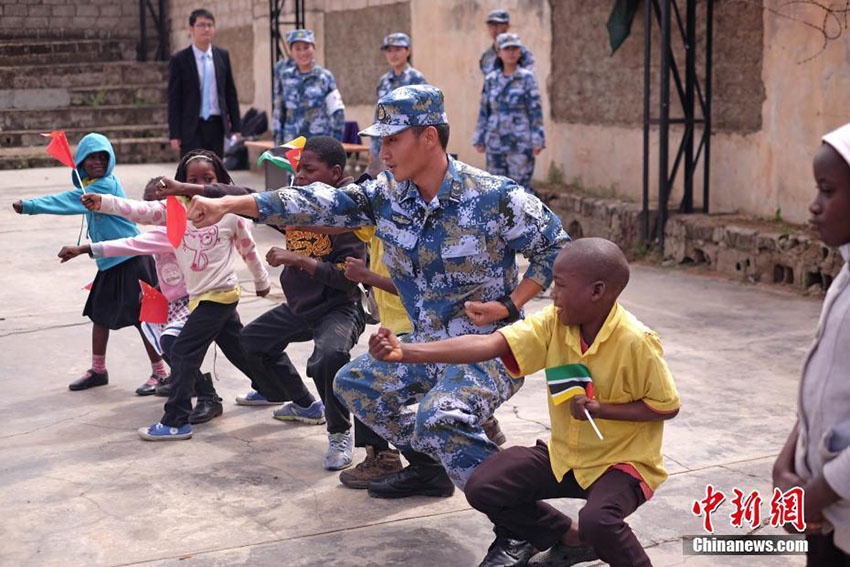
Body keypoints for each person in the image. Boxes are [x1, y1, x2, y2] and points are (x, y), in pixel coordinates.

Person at [172, 84, 569, 498]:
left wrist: (510, 303)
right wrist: (228, 204)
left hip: (490, 349)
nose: (384, 152)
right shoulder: (387, 196)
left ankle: (520, 513)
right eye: (381, 141)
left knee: (441, 415)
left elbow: (556, 247)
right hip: (426, 344)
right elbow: (314, 202)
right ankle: (429, 468)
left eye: (393, 140)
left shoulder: (494, 196)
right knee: (354, 383)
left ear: (428, 136)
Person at [371, 239, 680, 567]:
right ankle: (569, 538)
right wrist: (406, 353)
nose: (553, 295)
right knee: (484, 486)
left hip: (622, 464)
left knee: (599, 521)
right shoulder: (553, 323)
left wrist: (603, 410)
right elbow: (488, 344)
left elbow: (665, 406)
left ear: (597, 291)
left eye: (560, 286)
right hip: (567, 456)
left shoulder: (636, 341)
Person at [79, 159, 271, 441]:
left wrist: (262, 282)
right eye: (191, 179)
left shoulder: (229, 216)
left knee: (176, 346)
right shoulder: (173, 220)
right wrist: (103, 207)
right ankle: (279, 390)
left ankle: (187, 411)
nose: (198, 186)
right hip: (195, 298)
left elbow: (249, 249)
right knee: (237, 346)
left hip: (212, 296)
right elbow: (136, 214)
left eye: (207, 179)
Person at [236, 136, 368, 471]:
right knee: (252, 342)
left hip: (338, 307)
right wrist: (195, 191)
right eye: (299, 169)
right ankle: (304, 403)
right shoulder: (301, 204)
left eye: (310, 170)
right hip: (301, 306)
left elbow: (346, 277)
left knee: (329, 357)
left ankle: (339, 432)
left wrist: (297, 259)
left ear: (335, 172)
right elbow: (247, 199)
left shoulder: (348, 213)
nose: (301, 176)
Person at [12, 133, 164, 393]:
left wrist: (30, 205)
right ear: (80, 162)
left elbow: (67, 201)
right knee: (99, 316)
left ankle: (160, 373)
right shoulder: (89, 185)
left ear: (110, 160)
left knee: (144, 319)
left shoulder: (105, 186)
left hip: (132, 259)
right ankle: (98, 370)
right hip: (108, 262)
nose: (97, 162)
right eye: (91, 157)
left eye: (102, 157)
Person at [773, 124, 850, 565]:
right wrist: (787, 466)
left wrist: (815, 494)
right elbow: (823, 391)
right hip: (824, 511)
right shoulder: (843, 273)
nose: (814, 206)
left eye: (828, 190)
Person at [474, 33, 545, 192]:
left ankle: (524, 218)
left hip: (520, 143)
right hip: (495, 143)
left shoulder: (527, 78)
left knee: (520, 190)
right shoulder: (491, 79)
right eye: (507, 49)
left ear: (520, 52)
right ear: (499, 53)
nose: (511, 52)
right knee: (496, 189)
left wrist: (538, 139)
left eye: (515, 48)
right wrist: (479, 137)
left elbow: (535, 110)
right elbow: (484, 109)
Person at [168, 8, 242, 158]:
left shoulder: (222, 56)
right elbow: (174, 99)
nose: (206, 29)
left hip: (216, 125)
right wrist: (174, 134)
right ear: (191, 29)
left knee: (215, 171)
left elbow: (230, 93)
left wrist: (236, 127)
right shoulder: (180, 60)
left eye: (209, 25)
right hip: (191, 126)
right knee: (192, 171)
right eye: (201, 25)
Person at [367, 33, 427, 175]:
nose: (393, 55)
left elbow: (424, 114)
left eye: (398, 49)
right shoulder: (384, 81)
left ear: (408, 51)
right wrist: (374, 146)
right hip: (386, 144)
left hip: (408, 144)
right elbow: (379, 115)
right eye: (389, 50)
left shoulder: (416, 79)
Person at [272, 29, 345, 145]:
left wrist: (335, 143)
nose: (302, 53)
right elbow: (278, 112)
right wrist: (277, 144)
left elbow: (337, 112)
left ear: (314, 48)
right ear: (291, 52)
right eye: (297, 49)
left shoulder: (325, 77)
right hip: (291, 142)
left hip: (318, 143)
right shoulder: (285, 77)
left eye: (306, 47)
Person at [479, 9, 534, 77]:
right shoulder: (487, 55)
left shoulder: (520, 51)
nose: (494, 29)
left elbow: (528, 75)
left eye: (497, 25)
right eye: (491, 25)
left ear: (507, 26)